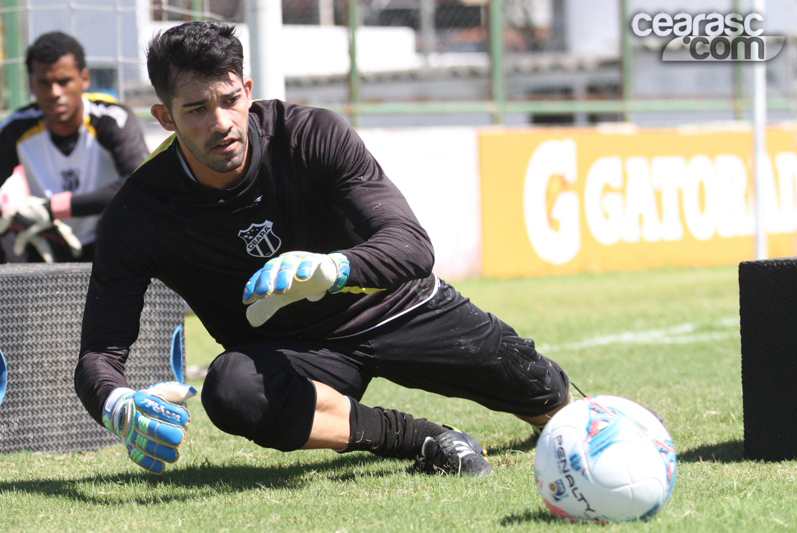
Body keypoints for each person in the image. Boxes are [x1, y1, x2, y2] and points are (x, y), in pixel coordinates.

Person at [74, 21, 572, 477]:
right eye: (197, 110)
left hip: (400, 308)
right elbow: (100, 351)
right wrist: (115, 403)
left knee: (552, 402)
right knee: (231, 390)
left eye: (229, 100)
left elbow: (413, 247)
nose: (220, 122)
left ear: (247, 92)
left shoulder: (311, 135)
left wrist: (333, 267)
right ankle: (422, 439)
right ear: (164, 116)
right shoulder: (139, 211)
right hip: (294, 354)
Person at [0, 31, 150, 263]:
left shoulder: (112, 118)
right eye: (44, 83)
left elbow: (140, 183)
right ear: (31, 84)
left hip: (109, 236)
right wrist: (14, 215)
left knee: (139, 220)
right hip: (48, 237)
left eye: (64, 81)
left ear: (84, 78)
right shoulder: (16, 129)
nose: (55, 93)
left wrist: (53, 208)